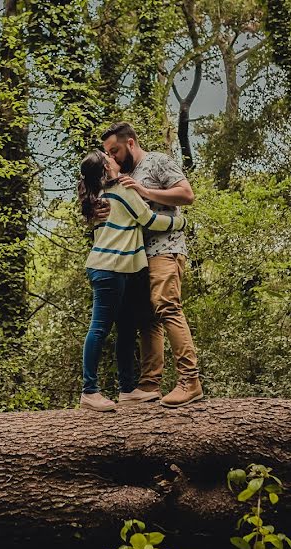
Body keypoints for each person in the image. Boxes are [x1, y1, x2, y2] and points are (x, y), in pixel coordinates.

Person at [97, 122, 203, 408]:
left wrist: (145, 191)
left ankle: (189, 381)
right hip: (137, 256)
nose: (113, 157)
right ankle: (149, 386)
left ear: (130, 142)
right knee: (147, 319)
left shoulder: (158, 161)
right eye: (108, 153)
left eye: (115, 150)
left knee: (168, 307)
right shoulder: (123, 175)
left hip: (166, 250)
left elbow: (186, 194)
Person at [77, 149, 187, 412]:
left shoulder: (100, 195)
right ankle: (89, 391)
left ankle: (127, 390)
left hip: (121, 270)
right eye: (110, 157)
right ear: (107, 168)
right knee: (100, 328)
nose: (115, 158)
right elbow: (148, 219)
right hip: (108, 269)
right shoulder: (121, 191)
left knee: (126, 330)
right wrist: (179, 222)